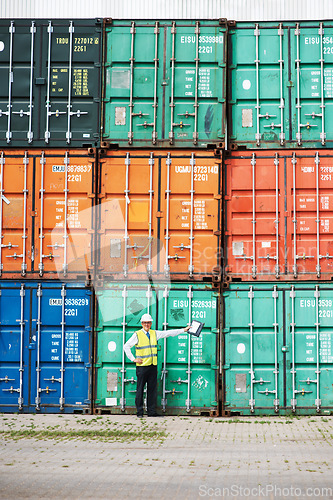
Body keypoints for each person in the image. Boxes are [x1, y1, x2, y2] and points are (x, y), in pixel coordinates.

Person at [124, 313, 191, 417]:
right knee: (140, 389)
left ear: (151, 323)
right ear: (142, 323)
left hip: (152, 366)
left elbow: (169, 333)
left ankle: (151, 412)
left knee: (152, 390)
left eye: (149, 322)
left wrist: (184, 330)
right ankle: (139, 412)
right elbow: (126, 346)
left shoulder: (154, 333)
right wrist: (133, 359)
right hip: (142, 367)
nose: (147, 324)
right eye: (145, 322)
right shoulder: (137, 334)